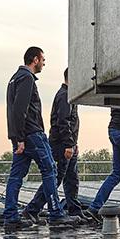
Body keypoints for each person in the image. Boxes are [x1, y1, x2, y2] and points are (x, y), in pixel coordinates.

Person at [3, 46, 74, 230]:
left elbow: (12, 112)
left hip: (21, 136)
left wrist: (16, 139)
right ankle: (56, 213)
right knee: (50, 169)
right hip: (32, 134)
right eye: (42, 59)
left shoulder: (13, 79)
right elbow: (20, 109)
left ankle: (11, 217)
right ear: (34, 59)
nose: (44, 63)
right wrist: (20, 138)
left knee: (16, 175)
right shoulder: (26, 78)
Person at [27, 67, 83, 218]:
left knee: (71, 179)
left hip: (67, 144)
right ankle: (32, 209)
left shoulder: (69, 96)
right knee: (56, 178)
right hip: (61, 145)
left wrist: (73, 143)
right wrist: (68, 145)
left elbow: (70, 123)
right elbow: (63, 122)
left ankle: (75, 210)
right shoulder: (64, 96)